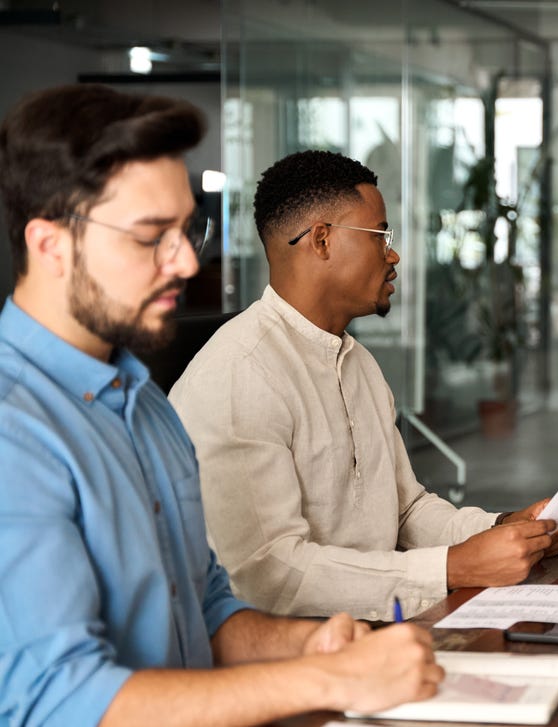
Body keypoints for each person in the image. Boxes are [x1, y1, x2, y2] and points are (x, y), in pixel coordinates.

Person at [0, 84, 441, 726]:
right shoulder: (15, 431)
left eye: (188, 229)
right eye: (152, 236)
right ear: (50, 245)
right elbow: (59, 700)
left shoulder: (145, 408)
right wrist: (324, 677)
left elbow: (203, 612)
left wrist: (310, 642)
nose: (184, 263)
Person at [169, 150, 558, 621]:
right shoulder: (239, 375)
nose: (393, 254)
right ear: (321, 241)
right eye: (381, 236)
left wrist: (503, 528)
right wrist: (451, 568)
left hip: (377, 629)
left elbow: (404, 511)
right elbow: (270, 575)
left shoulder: (357, 362)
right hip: (293, 660)